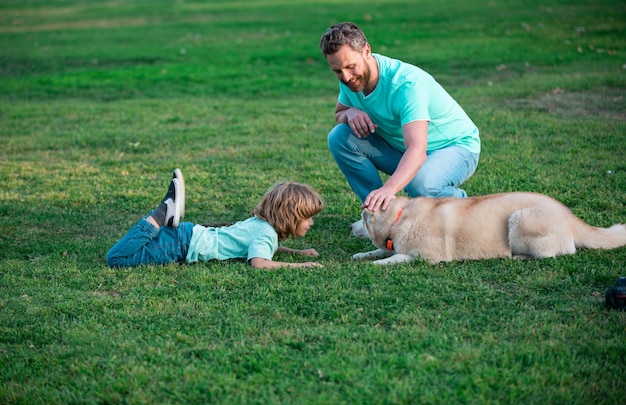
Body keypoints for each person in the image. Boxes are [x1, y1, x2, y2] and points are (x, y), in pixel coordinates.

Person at [319, 22, 481, 212]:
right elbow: (339, 112)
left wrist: (388, 189)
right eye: (337, 71)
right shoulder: (351, 79)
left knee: (420, 185)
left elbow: (417, 149)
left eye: (350, 67)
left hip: (455, 147)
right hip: (405, 150)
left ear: (366, 51)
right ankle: (377, 213)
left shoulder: (406, 85)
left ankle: (468, 208)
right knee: (340, 137)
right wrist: (350, 112)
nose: (345, 77)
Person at [106, 169, 325, 269]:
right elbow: (259, 262)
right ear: (290, 216)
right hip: (181, 246)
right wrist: (302, 264)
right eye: (307, 218)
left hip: (187, 235)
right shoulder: (266, 233)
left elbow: (265, 249)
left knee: (135, 248)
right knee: (117, 259)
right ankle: (162, 213)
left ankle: (165, 213)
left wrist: (297, 253)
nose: (311, 223)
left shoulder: (263, 227)